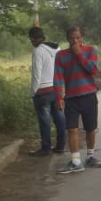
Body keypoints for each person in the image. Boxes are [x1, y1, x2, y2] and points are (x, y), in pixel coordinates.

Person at [54, 26, 101, 174]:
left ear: (82, 38)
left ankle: (90, 156)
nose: (75, 41)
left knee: (90, 128)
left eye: (78, 38)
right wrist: (58, 97)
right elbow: (57, 77)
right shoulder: (61, 55)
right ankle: (76, 161)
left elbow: (93, 69)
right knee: (72, 128)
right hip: (71, 98)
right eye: (71, 38)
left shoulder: (90, 51)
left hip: (89, 95)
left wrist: (79, 54)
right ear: (67, 39)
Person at [28, 27, 66, 156]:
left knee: (45, 121)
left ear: (32, 38)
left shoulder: (37, 51)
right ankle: (60, 146)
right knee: (59, 118)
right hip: (56, 88)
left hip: (42, 92)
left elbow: (36, 75)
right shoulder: (57, 48)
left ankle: (46, 148)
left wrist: (33, 92)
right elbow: (61, 69)